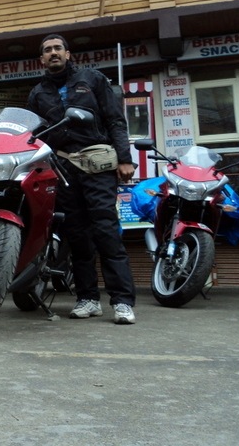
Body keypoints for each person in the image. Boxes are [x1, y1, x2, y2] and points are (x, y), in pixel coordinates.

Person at [26, 33, 137, 324]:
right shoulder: (37, 93)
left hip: (97, 164)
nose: (53, 53)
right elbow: (33, 137)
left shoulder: (93, 79)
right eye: (47, 50)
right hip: (63, 169)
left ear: (68, 53)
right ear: (41, 59)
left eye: (58, 48)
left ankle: (122, 301)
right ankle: (88, 298)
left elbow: (115, 119)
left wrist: (125, 158)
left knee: (106, 231)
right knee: (77, 237)